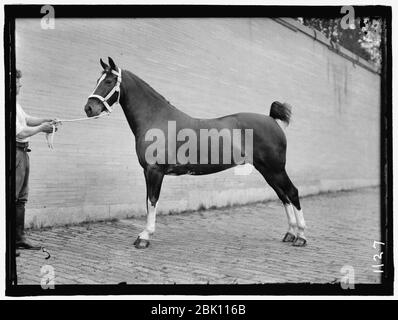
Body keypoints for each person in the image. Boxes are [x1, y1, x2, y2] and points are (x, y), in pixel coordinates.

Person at [15, 69, 58, 251]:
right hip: (14, 152)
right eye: (17, 82)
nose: (20, 85)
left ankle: (18, 239)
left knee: (21, 198)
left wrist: (45, 120)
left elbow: (27, 120)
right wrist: (42, 128)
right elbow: (20, 132)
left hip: (23, 153)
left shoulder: (15, 105)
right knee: (12, 197)